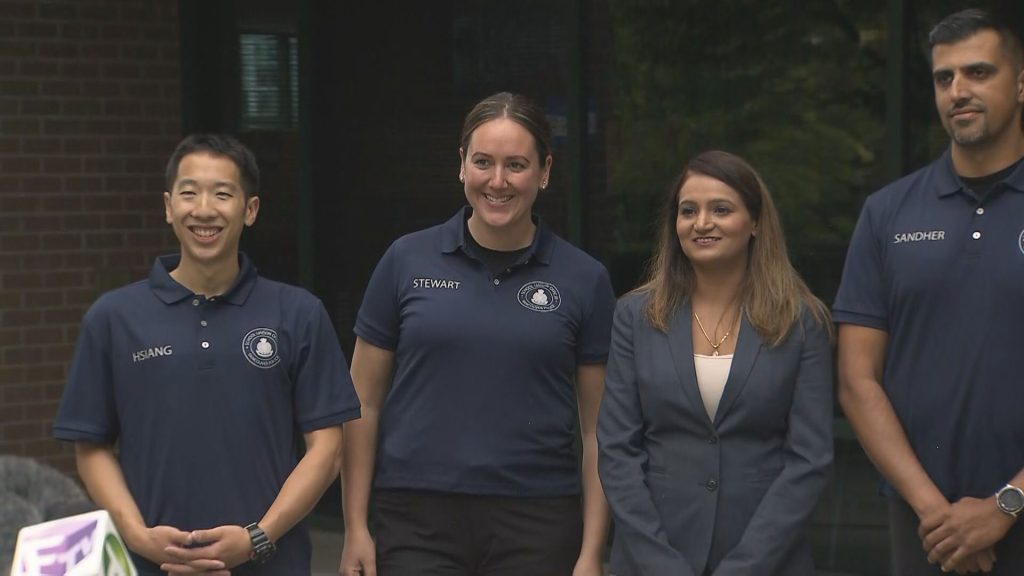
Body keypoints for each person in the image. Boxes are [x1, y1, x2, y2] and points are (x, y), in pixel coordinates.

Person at [53, 134, 361, 575]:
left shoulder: (298, 314)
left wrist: (258, 537)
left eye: (222, 193)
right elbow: (91, 447)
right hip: (152, 566)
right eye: (189, 192)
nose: (203, 210)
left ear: (249, 209)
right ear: (167, 206)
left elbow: (328, 449)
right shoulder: (113, 318)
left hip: (273, 565)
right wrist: (141, 538)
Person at [338, 92, 615, 576]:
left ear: (544, 172)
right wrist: (355, 526)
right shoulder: (405, 260)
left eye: (517, 165)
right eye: (483, 162)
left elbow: (599, 431)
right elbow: (362, 402)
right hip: (415, 519)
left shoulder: (584, 279)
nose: (498, 181)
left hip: (539, 521)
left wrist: (592, 552)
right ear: (462, 165)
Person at [834, 8, 1024, 576]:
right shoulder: (888, 212)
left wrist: (1006, 505)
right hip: (925, 527)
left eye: (978, 72)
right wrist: (935, 512)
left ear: (1020, 82)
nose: (958, 91)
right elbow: (856, 379)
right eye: (944, 78)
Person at [597, 150, 834, 576]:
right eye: (689, 211)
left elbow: (809, 459)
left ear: (756, 222)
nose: (702, 223)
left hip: (768, 561)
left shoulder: (801, 321)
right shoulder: (635, 316)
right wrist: (660, 565)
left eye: (720, 209)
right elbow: (617, 452)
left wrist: (744, 568)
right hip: (652, 558)